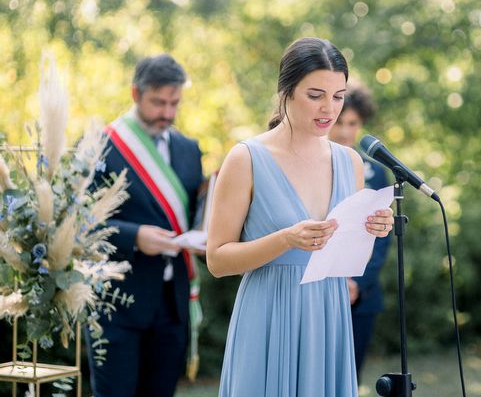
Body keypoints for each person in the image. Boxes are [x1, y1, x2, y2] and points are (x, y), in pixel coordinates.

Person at [206, 37, 394, 396]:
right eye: (315, 95)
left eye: (337, 96)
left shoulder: (350, 162)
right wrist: (286, 239)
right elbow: (216, 260)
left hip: (329, 313)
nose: (329, 108)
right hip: (267, 314)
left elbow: (351, 259)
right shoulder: (245, 158)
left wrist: (372, 230)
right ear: (286, 91)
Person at [87, 54, 204, 397]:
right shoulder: (100, 146)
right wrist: (135, 236)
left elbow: (195, 215)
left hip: (173, 302)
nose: (167, 113)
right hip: (116, 305)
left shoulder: (189, 149)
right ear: (135, 93)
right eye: (158, 102)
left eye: (174, 103)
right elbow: (80, 224)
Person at [329, 84, 390, 378]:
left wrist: (357, 282)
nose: (344, 131)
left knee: (351, 377)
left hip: (362, 294)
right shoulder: (315, 165)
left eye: (352, 124)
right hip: (322, 285)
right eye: (339, 122)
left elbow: (381, 240)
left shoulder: (376, 172)